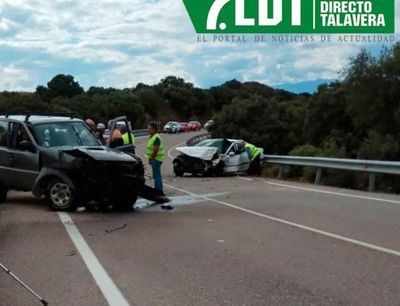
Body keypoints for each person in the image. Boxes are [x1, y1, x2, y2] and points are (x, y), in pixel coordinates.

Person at [145, 122, 165, 194]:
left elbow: (156, 149)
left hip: (156, 158)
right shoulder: (152, 137)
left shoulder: (156, 137)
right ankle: (158, 188)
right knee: (156, 175)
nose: (148, 130)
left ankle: (159, 190)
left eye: (149, 128)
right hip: (154, 158)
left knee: (157, 175)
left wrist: (152, 157)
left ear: (154, 129)